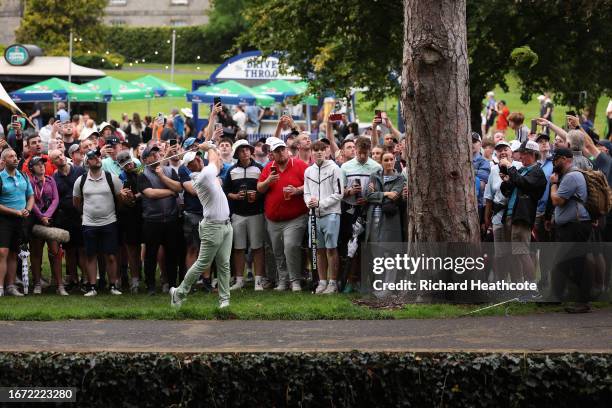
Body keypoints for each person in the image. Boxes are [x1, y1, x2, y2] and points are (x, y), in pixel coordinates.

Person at [170, 141, 233, 309]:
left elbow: (215, 162)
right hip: (212, 227)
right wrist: (210, 147)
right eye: (193, 161)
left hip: (226, 225)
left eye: (198, 158)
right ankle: (179, 292)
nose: (198, 160)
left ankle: (224, 300)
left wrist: (209, 147)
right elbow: (214, 162)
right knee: (202, 263)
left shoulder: (205, 172)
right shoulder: (202, 177)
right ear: (189, 167)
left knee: (224, 263)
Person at [257, 137, 309, 291]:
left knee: (291, 247)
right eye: (277, 151)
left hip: (295, 217)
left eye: (282, 149)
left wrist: (297, 190)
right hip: (273, 219)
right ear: (272, 154)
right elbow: (260, 188)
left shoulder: (299, 165)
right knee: (277, 250)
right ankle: (283, 281)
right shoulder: (269, 167)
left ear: (287, 150)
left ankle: (295, 281)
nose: (281, 153)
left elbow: (312, 183)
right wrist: (268, 181)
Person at [73, 149, 125, 296]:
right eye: (92, 157)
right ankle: (92, 287)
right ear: (87, 162)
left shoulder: (112, 178)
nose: (97, 159)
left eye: (98, 156)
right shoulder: (81, 181)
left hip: (109, 221)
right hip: (89, 223)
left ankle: (113, 285)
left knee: (111, 256)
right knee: (91, 255)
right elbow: (76, 202)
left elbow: (120, 200)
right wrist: (86, 214)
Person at [549, 148, 592, 313]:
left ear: (566, 159)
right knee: (564, 263)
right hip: (571, 226)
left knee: (576, 263)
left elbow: (558, 200)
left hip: (575, 226)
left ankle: (583, 301)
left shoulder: (572, 176)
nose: (554, 162)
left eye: (556, 159)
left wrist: (553, 184)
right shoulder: (568, 176)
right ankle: (556, 297)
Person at [499, 140, 547, 282]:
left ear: (532, 154)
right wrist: (506, 180)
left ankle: (531, 289)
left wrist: (510, 168)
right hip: (511, 216)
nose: (520, 157)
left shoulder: (537, 172)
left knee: (522, 253)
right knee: (514, 254)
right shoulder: (521, 170)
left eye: (523, 154)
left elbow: (523, 183)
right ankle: (519, 287)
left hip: (522, 217)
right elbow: (507, 191)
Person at [138, 144, 182, 295]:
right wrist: (171, 192)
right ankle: (150, 285)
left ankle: (171, 284)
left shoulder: (169, 171)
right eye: (152, 154)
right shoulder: (142, 175)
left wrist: (163, 177)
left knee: (172, 254)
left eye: (157, 153)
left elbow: (179, 187)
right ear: (144, 160)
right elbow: (151, 193)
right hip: (152, 221)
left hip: (171, 220)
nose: (156, 155)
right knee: (151, 255)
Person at [339, 137, 382, 293]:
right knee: (351, 247)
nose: (362, 156)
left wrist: (369, 197)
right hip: (350, 209)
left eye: (365, 153)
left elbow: (380, 190)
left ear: (369, 151)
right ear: (355, 150)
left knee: (367, 246)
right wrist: (350, 191)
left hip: (369, 210)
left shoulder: (376, 167)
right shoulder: (345, 167)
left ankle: (365, 281)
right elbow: (339, 192)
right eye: (359, 153)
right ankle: (350, 280)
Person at [224, 140, 266, 291]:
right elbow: (226, 191)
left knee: (257, 247)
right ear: (236, 153)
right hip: (238, 214)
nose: (245, 152)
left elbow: (265, 190)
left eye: (247, 149)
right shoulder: (231, 171)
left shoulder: (260, 168)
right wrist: (235, 196)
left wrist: (258, 195)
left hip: (256, 213)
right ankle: (239, 280)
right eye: (242, 150)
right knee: (238, 248)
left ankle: (259, 281)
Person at [304, 140, 344, 294]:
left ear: (327, 151)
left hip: (331, 214)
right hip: (313, 216)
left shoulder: (335, 169)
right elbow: (307, 192)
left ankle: (333, 283)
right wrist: (309, 202)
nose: (319, 152)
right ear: (311, 152)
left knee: (331, 248)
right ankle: (322, 282)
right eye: (315, 150)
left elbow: (339, 193)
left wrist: (321, 203)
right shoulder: (308, 171)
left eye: (322, 149)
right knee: (318, 249)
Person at [27, 156, 65, 295]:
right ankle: (37, 284)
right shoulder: (29, 182)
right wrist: (41, 217)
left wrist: (47, 215)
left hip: (50, 220)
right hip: (36, 221)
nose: (41, 166)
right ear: (32, 168)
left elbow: (56, 199)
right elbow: (30, 200)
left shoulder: (50, 180)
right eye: (37, 164)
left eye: (42, 164)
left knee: (55, 252)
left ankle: (59, 285)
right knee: (36, 253)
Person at [49, 149, 87, 291]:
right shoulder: (54, 178)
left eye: (61, 155)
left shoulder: (79, 171)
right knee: (69, 251)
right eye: (57, 158)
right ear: (53, 162)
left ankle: (85, 279)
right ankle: (73, 279)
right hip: (65, 218)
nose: (61, 158)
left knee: (82, 250)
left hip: (81, 216)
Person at [0, 148, 33, 296]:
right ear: (4, 161)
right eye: (10, 156)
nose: (15, 158)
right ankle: (0, 287)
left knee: (14, 253)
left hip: (20, 220)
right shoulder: (0, 178)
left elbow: (30, 196)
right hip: (4, 220)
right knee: (2, 252)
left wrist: (28, 209)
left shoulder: (24, 176)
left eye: (15, 156)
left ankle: (11, 286)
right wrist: (15, 212)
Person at [365, 151, 405, 243]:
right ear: (381, 162)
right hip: (373, 216)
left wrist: (376, 194)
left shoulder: (399, 178)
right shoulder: (374, 176)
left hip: (389, 216)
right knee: (375, 248)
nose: (389, 162)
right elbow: (368, 196)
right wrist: (386, 194)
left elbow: (393, 196)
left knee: (389, 248)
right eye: (386, 160)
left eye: (391, 159)